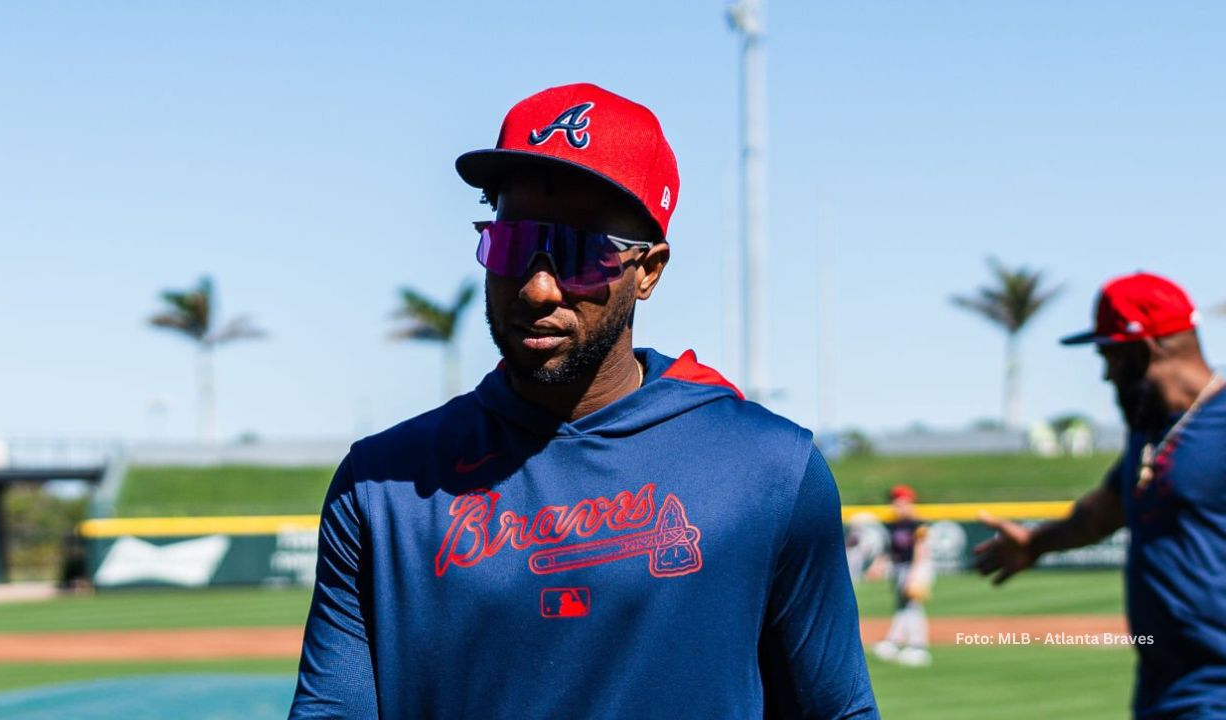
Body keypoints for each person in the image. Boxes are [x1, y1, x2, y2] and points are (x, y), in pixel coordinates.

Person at [289, 83, 878, 719]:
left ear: (647, 270)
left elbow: (837, 712)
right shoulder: (382, 482)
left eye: (578, 254)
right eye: (512, 244)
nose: (539, 288)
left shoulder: (769, 470)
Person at [975, 272, 1226, 718]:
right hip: (1166, 691)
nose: (1105, 375)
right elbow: (1102, 512)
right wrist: (1035, 544)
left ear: (1140, 349)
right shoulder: (1153, 433)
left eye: (1107, 355)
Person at [872, 485, 933, 667]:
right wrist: (878, 565)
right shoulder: (893, 525)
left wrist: (915, 575)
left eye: (901, 503)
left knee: (912, 606)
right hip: (900, 568)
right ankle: (894, 642)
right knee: (902, 607)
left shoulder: (918, 524)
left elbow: (921, 550)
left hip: (917, 567)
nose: (897, 506)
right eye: (895, 502)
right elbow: (888, 550)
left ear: (910, 503)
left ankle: (919, 647)